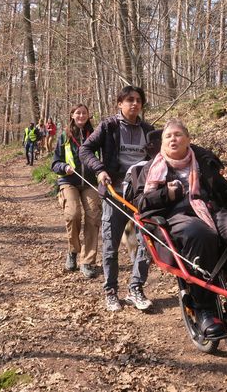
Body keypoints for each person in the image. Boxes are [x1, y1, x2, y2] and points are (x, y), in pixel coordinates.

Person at [134, 118, 227, 338]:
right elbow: (140, 203)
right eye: (168, 136)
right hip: (175, 215)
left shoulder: (203, 161)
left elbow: (226, 190)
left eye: (178, 134)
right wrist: (165, 194)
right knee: (200, 234)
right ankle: (205, 310)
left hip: (212, 210)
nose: (173, 139)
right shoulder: (151, 169)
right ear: (161, 144)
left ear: (188, 139)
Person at [79, 85, 154, 312]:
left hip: (142, 197)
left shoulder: (149, 130)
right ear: (119, 103)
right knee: (111, 245)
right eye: (129, 100)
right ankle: (111, 291)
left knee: (147, 244)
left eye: (138, 100)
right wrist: (100, 170)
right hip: (114, 194)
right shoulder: (108, 126)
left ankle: (135, 288)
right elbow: (85, 150)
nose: (135, 104)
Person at [51, 104, 102, 279]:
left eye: (84, 113)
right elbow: (54, 163)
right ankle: (73, 251)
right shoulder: (64, 136)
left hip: (90, 182)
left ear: (88, 116)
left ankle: (87, 261)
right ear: (72, 115)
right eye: (77, 113)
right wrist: (63, 167)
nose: (81, 115)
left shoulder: (95, 135)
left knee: (93, 216)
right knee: (73, 215)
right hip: (68, 181)